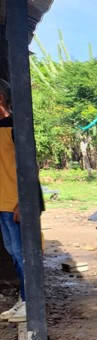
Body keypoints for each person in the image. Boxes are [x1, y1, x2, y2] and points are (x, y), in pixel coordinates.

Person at [0, 78, 26, 323]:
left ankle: (31, 303)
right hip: (1, 203)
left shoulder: (16, 126)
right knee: (12, 252)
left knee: (21, 254)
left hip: (13, 202)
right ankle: (23, 299)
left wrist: (23, 200)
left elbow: (29, 166)